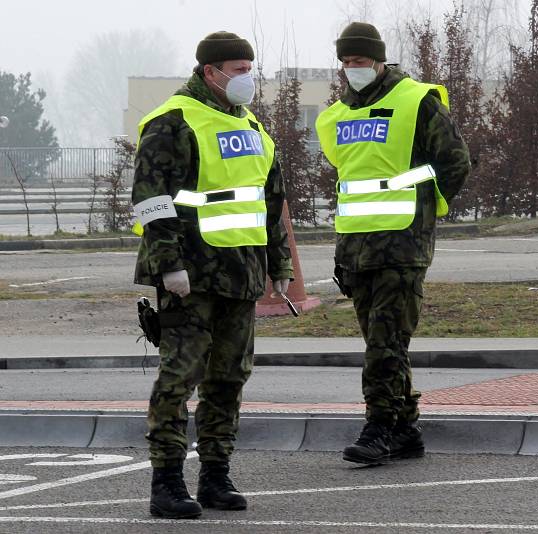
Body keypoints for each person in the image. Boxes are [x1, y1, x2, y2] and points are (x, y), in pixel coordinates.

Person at [131, 31, 293, 518]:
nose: (248, 78)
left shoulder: (252, 126)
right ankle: (167, 483)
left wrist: (279, 263)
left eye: (249, 68)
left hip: (241, 273)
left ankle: (215, 478)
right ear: (211, 73)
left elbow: (270, 202)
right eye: (239, 70)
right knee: (180, 378)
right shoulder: (173, 121)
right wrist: (168, 265)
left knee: (228, 379)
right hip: (191, 275)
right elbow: (152, 200)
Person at [315, 22, 470, 465]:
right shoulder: (336, 116)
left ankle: (379, 428)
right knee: (382, 342)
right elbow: (351, 179)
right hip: (356, 247)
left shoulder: (416, 102)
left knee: (385, 342)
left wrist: (428, 210)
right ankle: (406, 428)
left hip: (403, 244)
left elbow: (455, 161)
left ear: (379, 60)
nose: (352, 69)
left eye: (359, 61)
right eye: (345, 62)